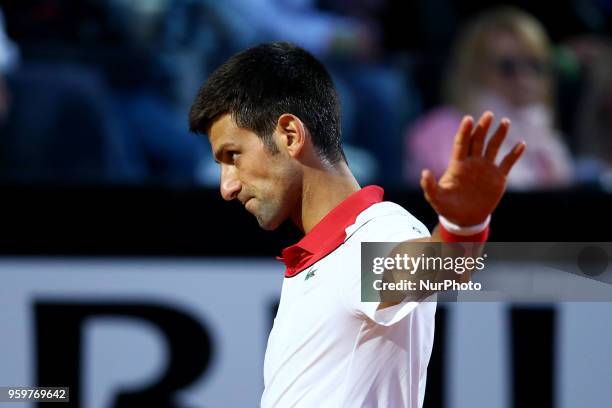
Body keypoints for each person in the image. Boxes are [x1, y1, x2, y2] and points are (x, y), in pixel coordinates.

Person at [189, 42, 524, 407]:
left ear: (289, 134)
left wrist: (462, 226)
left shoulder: (373, 232)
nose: (227, 186)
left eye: (232, 156)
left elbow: (434, 267)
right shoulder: (323, 257)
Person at [404, 6, 571, 190]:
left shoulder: (546, 137)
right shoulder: (441, 130)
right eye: (507, 66)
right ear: (474, 70)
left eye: (535, 64)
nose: (524, 77)